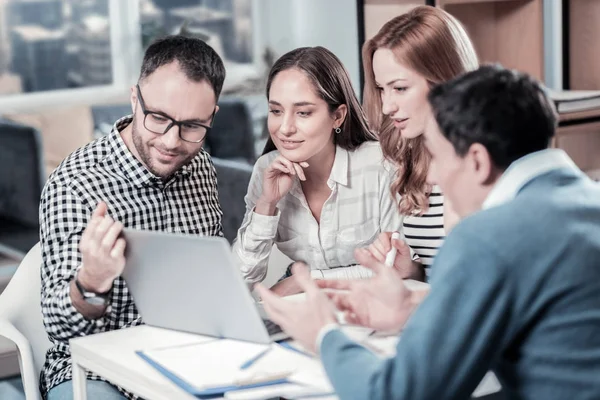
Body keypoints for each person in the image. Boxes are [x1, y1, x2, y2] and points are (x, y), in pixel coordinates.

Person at [257, 65, 600, 399]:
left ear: (477, 161)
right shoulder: (587, 199)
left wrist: (324, 335)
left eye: (435, 156)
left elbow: (396, 394)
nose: (433, 176)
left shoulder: (488, 236)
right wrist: (418, 307)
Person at [39, 36, 225, 399]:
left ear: (212, 116)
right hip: (94, 371)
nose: (172, 141)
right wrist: (91, 281)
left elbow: (208, 276)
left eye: (192, 126)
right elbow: (59, 327)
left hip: (185, 356)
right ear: (134, 99)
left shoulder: (200, 165)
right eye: (158, 118)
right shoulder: (76, 183)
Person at [232, 46, 403, 295]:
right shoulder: (266, 169)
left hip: (372, 303)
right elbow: (239, 282)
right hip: (304, 305)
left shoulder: (379, 166)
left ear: (338, 117)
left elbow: (395, 266)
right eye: (276, 111)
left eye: (303, 113)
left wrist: (309, 280)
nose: (285, 128)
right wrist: (266, 205)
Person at [362, 6, 478, 280]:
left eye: (400, 88)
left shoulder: (485, 161)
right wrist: (412, 270)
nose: (387, 106)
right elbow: (440, 276)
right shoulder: (410, 154)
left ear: (445, 82)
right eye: (381, 89)